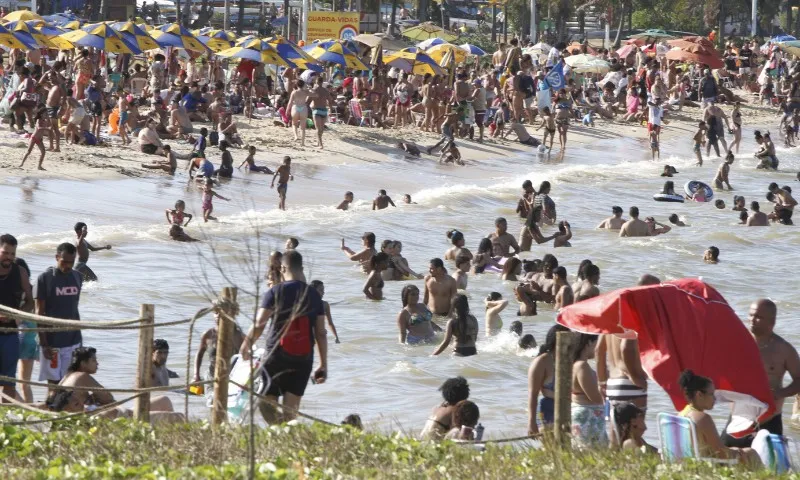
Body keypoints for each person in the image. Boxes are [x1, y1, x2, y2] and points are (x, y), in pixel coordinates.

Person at [239, 251, 328, 424]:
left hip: (276, 356)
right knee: (290, 412)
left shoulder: (275, 291)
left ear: (283, 268)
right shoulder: (314, 295)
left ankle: (277, 432)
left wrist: (246, 344)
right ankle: (286, 436)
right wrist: (323, 364)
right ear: (301, 268)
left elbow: (259, 323)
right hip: (304, 358)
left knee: (265, 401)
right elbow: (321, 333)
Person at [721, 300, 800, 447]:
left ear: (772, 321)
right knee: (724, 462)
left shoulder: (783, 349)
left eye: (758, 317)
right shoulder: (738, 344)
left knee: (770, 466)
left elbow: (798, 379)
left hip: (769, 419)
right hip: (738, 416)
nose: (752, 320)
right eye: (751, 315)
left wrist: (780, 393)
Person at [56, 347, 183, 422]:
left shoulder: (66, 377)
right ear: (83, 363)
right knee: (179, 417)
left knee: (165, 400)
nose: (97, 363)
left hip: (117, 413)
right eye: (94, 360)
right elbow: (108, 398)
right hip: (118, 417)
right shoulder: (82, 376)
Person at [678, 370, 760, 464]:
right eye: (712, 394)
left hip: (689, 463)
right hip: (706, 465)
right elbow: (722, 453)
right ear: (699, 394)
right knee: (751, 453)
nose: (715, 398)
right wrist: (740, 452)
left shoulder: (681, 414)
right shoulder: (702, 418)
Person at [35, 243, 83, 389]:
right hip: (52, 342)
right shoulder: (44, 278)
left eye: (71, 262)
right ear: (57, 257)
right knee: (54, 383)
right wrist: (44, 343)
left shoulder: (78, 277)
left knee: (71, 381)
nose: (68, 266)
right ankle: (52, 409)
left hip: (73, 339)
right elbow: (39, 313)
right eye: (64, 261)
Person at [0, 235, 32, 403]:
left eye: (13, 254)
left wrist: (18, 314)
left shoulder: (20, 272)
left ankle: (4, 421)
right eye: (6, 253)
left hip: (11, 335)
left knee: (9, 383)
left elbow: (30, 301)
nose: (9, 257)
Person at [528, 325, 569, 434]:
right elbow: (533, 395)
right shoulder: (542, 362)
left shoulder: (570, 359)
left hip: (567, 409)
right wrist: (531, 422)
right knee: (549, 446)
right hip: (547, 409)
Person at [569, 333, 606, 448]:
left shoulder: (580, 365)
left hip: (588, 416)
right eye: (597, 343)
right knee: (589, 452)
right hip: (587, 417)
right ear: (589, 342)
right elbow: (595, 397)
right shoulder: (581, 366)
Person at [194, 310, 245, 382]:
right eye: (216, 313)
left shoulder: (239, 336)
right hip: (211, 376)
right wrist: (196, 375)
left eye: (221, 313)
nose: (218, 315)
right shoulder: (208, 334)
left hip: (232, 377)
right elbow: (199, 354)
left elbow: (246, 358)